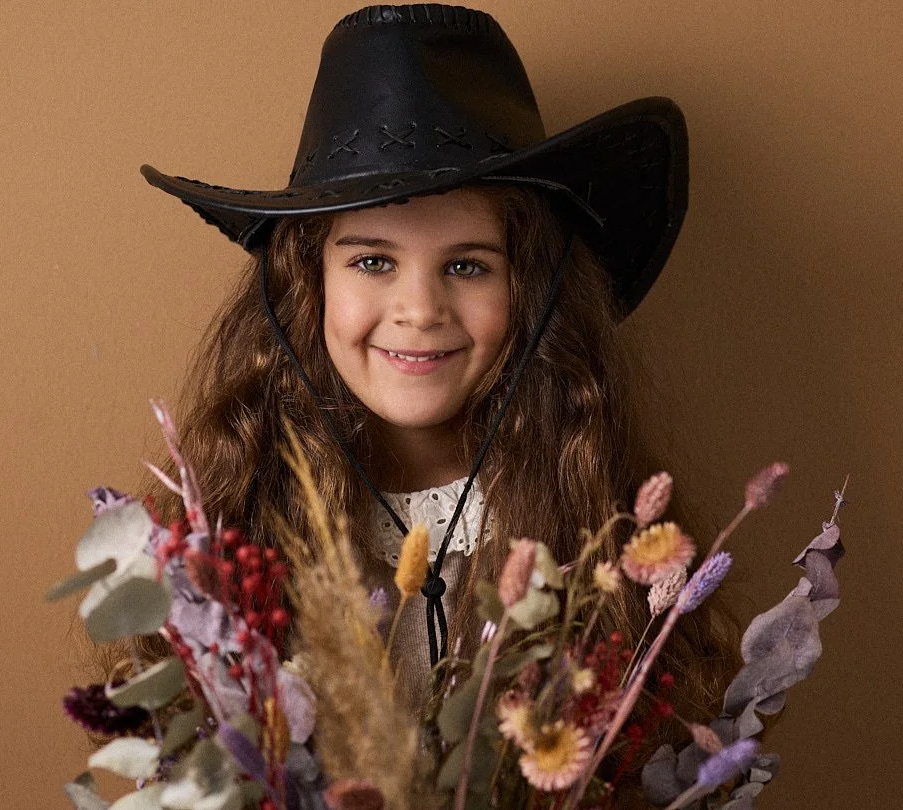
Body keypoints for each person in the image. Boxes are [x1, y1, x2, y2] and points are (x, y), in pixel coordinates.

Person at [134, 1, 739, 788]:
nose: (419, 312)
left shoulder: (604, 534)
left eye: (467, 265)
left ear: (530, 290)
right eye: (373, 262)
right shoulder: (231, 533)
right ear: (304, 285)